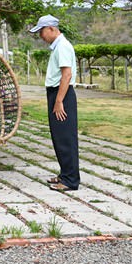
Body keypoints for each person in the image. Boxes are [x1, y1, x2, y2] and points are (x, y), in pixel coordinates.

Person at [29, 14, 79, 191]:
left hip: (62, 95)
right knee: (59, 137)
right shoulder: (57, 47)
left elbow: (67, 75)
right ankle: (65, 174)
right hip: (56, 94)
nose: (41, 36)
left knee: (66, 138)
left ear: (51, 28)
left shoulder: (63, 46)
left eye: (41, 31)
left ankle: (70, 180)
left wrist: (59, 101)